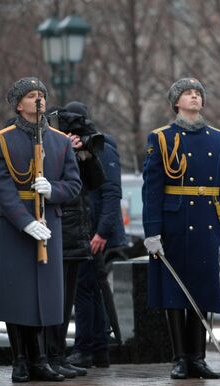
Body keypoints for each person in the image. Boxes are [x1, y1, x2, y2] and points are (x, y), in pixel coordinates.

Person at [142, 78, 220, 379]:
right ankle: (180, 358)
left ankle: (198, 357)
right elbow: (153, 188)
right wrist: (152, 231)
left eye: (198, 94)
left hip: (208, 221)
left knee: (203, 291)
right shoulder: (161, 138)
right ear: (176, 102)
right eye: (187, 93)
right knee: (174, 291)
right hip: (174, 223)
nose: (194, 97)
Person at [0, 77, 81, 382]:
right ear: (19, 105)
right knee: (17, 295)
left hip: (50, 222)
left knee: (44, 296)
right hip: (14, 226)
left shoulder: (59, 140)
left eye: (42, 95)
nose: (39, 100)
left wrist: (53, 190)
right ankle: (21, 360)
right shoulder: (4, 139)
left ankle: (41, 359)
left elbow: (74, 184)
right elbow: (3, 187)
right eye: (32, 96)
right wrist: (25, 222)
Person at [45, 103, 106, 378]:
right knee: (52, 299)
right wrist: (63, 149)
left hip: (76, 231)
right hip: (57, 230)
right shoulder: (49, 143)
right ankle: (46, 356)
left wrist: (85, 154)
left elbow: (96, 182)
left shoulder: (76, 150)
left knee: (67, 300)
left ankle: (58, 355)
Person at [66, 101, 126, 370]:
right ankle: (97, 348)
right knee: (90, 289)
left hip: (95, 231)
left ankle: (87, 349)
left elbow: (111, 193)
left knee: (87, 289)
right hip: (86, 228)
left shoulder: (103, 147)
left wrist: (101, 232)